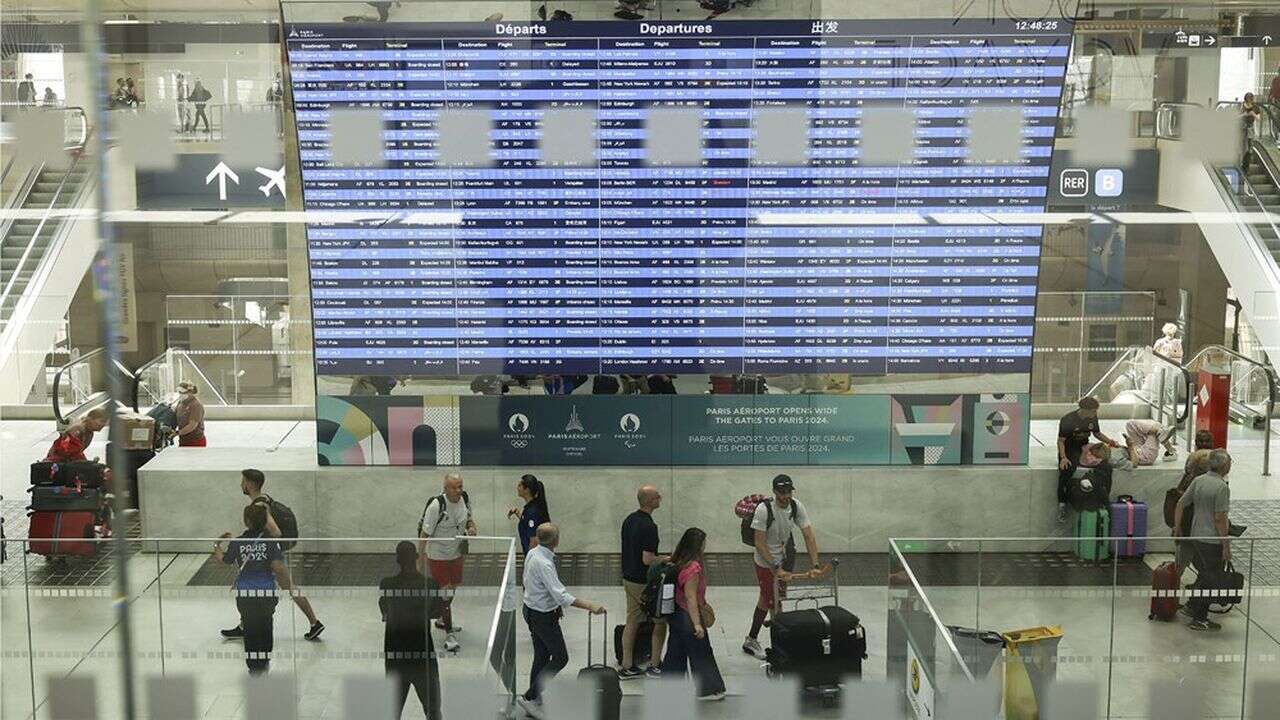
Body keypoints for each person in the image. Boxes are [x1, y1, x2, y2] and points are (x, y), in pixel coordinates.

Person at [222, 469, 325, 641]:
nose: (241, 484)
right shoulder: (265, 498)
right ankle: (244, 625)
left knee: (288, 587)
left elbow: (275, 532)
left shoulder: (259, 506)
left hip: (270, 557)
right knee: (288, 587)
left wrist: (261, 544)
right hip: (271, 555)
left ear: (249, 483)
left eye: (243, 481)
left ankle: (315, 623)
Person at [519, 523, 605, 715]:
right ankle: (530, 697)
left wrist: (554, 606)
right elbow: (561, 596)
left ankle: (534, 700)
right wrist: (590, 605)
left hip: (532, 611)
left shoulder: (533, 553)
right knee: (560, 657)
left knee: (541, 655)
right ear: (556, 541)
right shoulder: (545, 563)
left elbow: (536, 586)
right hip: (543, 616)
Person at [743, 474, 820, 660]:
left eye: (788, 492)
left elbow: (809, 536)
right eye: (781, 493)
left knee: (769, 599)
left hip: (784, 557)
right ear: (775, 492)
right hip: (765, 561)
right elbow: (759, 543)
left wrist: (815, 564)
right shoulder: (764, 510)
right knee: (774, 603)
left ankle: (752, 639)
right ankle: (779, 646)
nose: (785, 496)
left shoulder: (796, 506)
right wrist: (775, 566)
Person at [213, 503, 287, 674]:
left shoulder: (238, 543)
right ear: (264, 522)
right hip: (267, 591)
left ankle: (254, 666)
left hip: (245, 593)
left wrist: (216, 544)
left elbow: (224, 560)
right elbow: (278, 568)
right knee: (266, 625)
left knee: (250, 628)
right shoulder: (270, 543)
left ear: (246, 521)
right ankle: (265, 657)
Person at [659, 527, 726, 701]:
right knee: (701, 651)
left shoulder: (678, 560)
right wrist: (697, 623)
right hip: (688, 615)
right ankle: (709, 689)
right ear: (698, 546)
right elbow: (690, 597)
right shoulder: (693, 568)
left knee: (676, 651)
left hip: (676, 613)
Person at [380, 541, 441, 720]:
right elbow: (435, 611)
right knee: (433, 710)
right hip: (423, 656)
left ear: (397, 560)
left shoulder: (387, 585)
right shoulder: (430, 585)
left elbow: (384, 613)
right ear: (417, 557)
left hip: (396, 657)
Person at [1174, 449, 1233, 631]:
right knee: (1211, 579)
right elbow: (1219, 518)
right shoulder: (1222, 487)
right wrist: (1226, 545)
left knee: (1203, 574)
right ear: (1224, 466)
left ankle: (1192, 606)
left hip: (1195, 536)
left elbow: (1181, 503)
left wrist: (1177, 528)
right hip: (1212, 540)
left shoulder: (1199, 481)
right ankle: (1200, 619)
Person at [418, 472, 476, 653]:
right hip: (438, 556)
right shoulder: (436, 505)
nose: (459, 490)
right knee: (444, 593)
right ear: (445, 488)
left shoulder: (464, 499)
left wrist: (472, 527)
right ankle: (449, 634)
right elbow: (424, 535)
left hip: (456, 553)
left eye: (461, 486)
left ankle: (443, 619)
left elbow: (469, 519)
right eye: (455, 487)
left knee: (453, 589)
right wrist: (420, 558)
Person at [619, 484, 668, 679]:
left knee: (632, 621)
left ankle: (627, 665)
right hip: (643, 581)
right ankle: (655, 664)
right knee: (660, 621)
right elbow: (647, 559)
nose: (660, 497)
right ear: (649, 501)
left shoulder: (629, 520)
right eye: (657, 496)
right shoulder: (649, 526)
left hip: (628, 577)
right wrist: (665, 559)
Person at [1056, 397, 1119, 520]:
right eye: (1094, 411)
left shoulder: (1092, 418)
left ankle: (1103, 499)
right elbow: (1061, 441)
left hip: (1085, 447)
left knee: (1106, 466)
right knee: (1067, 469)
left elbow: (1097, 434)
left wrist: (1111, 442)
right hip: (1070, 448)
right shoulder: (1068, 420)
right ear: (1085, 410)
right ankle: (1063, 504)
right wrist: (1063, 457)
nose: (1095, 414)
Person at [507, 473, 550, 555]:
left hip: (535, 559)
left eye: (519, 485)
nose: (517, 487)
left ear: (527, 490)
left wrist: (530, 561)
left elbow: (534, 541)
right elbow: (528, 524)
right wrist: (518, 513)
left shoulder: (532, 511)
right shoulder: (530, 508)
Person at [174, 381, 206, 447]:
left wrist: (177, 433)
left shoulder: (196, 405)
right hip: (183, 440)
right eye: (179, 392)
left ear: (190, 392)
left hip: (195, 441)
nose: (180, 394)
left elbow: (192, 425)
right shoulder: (180, 403)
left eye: (182, 392)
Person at [1241, 93, 1263, 171]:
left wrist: (1252, 114)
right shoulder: (1241, 106)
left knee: (1249, 148)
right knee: (1243, 146)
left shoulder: (1255, 107)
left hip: (1250, 128)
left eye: (1250, 99)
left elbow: (1258, 118)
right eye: (1247, 99)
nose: (1249, 100)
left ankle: (1246, 166)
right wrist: (1244, 115)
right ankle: (1242, 163)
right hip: (1242, 127)